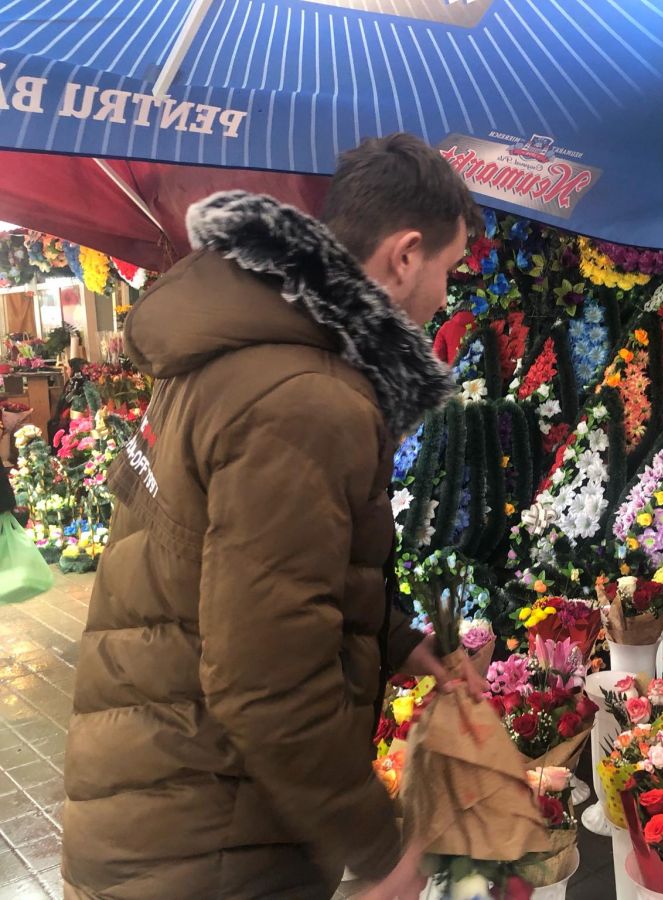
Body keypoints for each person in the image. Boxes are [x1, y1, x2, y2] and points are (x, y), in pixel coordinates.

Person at [61, 134, 481, 900]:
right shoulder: (304, 399)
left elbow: (243, 572)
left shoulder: (241, 352)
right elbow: (267, 679)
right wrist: (380, 848)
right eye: (448, 268)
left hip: (159, 801)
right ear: (404, 255)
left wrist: (399, 641)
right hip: (212, 840)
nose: (445, 295)